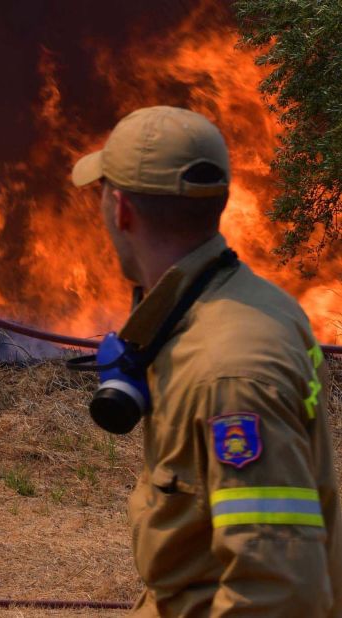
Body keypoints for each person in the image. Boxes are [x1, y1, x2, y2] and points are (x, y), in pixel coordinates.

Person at [72, 105, 341, 615]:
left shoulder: (231, 372)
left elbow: (277, 594)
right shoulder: (252, 303)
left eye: (102, 191)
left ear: (121, 209)